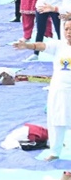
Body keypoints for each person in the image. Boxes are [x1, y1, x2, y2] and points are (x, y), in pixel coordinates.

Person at [13, 21, 71, 161]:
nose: (68, 32)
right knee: (56, 121)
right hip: (59, 90)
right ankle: (55, 152)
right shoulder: (59, 45)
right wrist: (27, 45)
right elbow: (42, 46)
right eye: (67, 29)